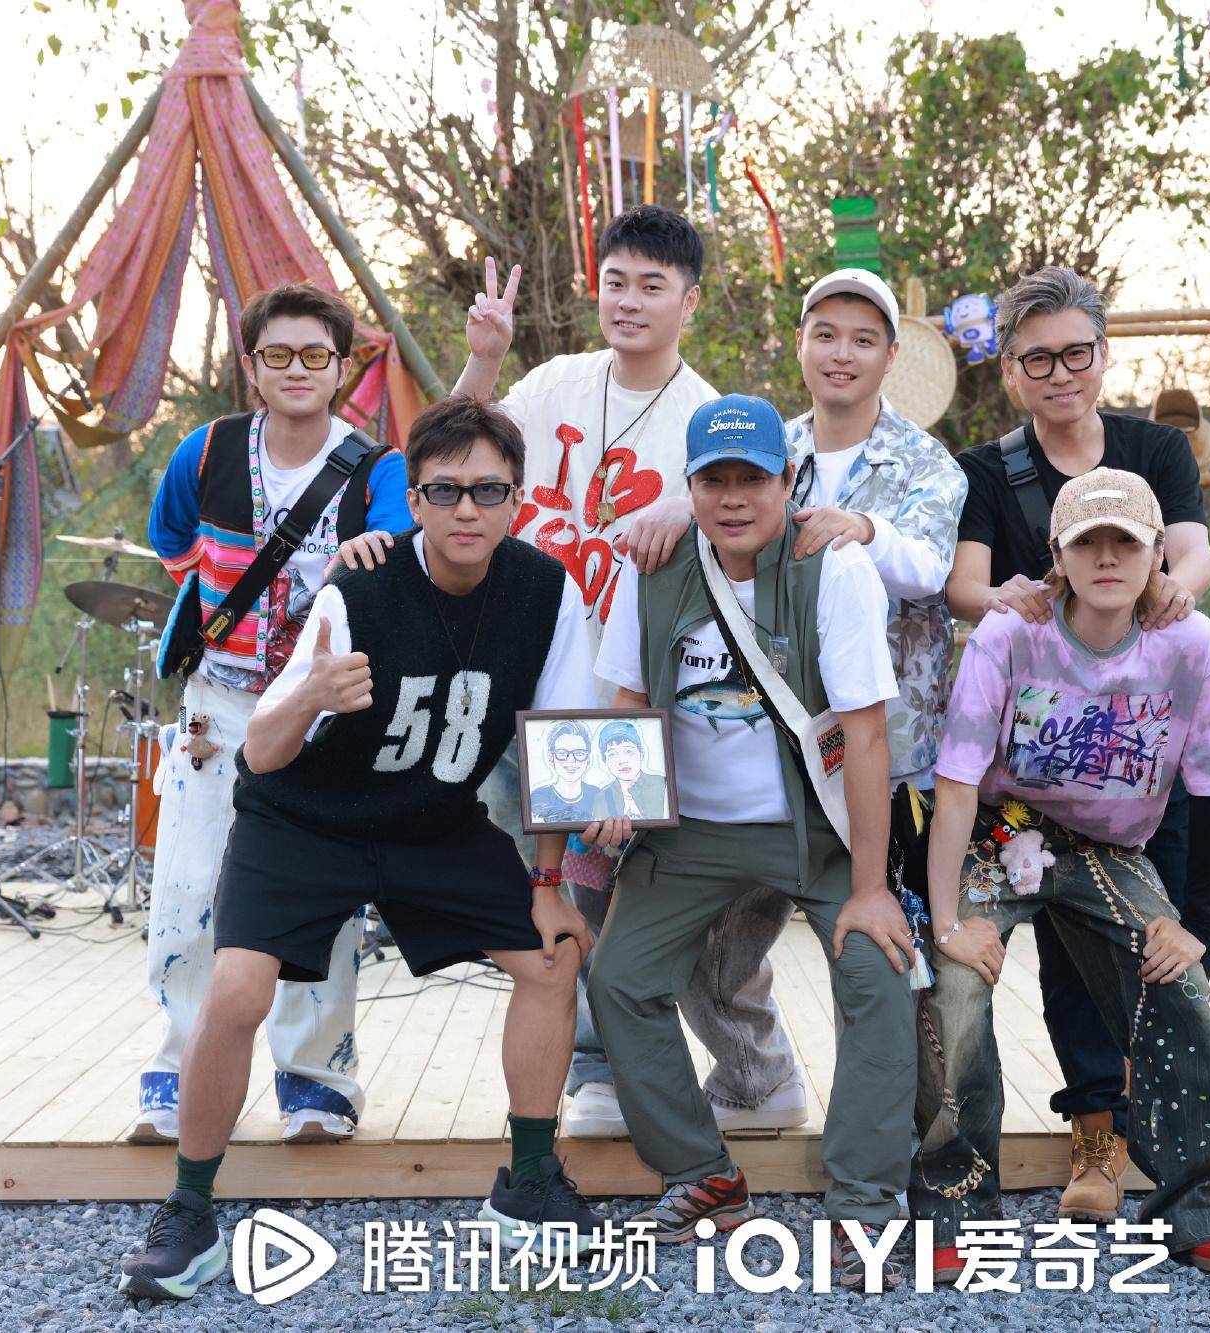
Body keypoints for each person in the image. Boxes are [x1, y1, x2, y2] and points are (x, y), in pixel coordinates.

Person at [118, 394, 628, 1302]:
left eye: (488, 490)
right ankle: (189, 1207)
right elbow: (261, 749)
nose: (467, 508)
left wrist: (549, 880)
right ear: (415, 499)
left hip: (431, 820)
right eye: (445, 490)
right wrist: (312, 693)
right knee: (236, 989)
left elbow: (562, 746)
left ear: (517, 499)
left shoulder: (547, 591)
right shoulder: (356, 588)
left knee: (553, 957)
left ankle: (529, 1180)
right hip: (303, 819)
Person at [338, 207, 800, 1140]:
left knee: (632, 896)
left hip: (625, 697)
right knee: (558, 888)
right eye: (616, 281)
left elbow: (748, 520)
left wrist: (688, 510)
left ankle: (737, 1068)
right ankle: (599, 1071)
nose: (629, 301)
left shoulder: (704, 417)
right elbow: (452, 453)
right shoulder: (555, 382)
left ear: (689, 302)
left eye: (652, 286)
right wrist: (483, 358)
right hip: (522, 678)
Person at [588, 394, 918, 1288]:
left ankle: (865, 1205)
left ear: (788, 479)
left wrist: (871, 887)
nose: (733, 498)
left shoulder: (832, 567)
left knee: (877, 973)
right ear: (690, 486)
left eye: (753, 478)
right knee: (617, 979)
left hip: (811, 826)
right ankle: (703, 1172)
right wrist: (617, 798)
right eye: (714, 480)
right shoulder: (653, 566)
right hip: (691, 829)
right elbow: (628, 700)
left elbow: (868, 733)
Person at [913, 467, 1210, 1279]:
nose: (1107, 557)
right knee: (951, 987)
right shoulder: (1010, 633)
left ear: (1156, 553)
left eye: (1125, 541)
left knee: (1176, 978)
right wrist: (947, 922)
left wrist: (1197, 925)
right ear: (1057, 555)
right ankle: (957, 1205)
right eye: (1087, 541)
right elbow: (955, 786)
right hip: (1000, 833)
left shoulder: (1189, 644)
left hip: (1108, 847)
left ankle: (1196, 1206)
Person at [942, 266, 1210, 1222]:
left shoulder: (1156, 449)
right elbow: (966, 585)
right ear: (1009, 370)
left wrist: (1170, 589)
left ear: (1103, 354)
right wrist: (1011, 600)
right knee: (1064, 949)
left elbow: (1192, 549)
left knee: (1171, 935)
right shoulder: (990, 470)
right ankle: (1095, 1131)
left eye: (1075, 353)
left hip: (1145, 740)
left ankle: (1174, 1122)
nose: (1059, 373)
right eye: (1037, 359)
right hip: (1037, 758)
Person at [676, 269, 968, 1132]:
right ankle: (757, 1075)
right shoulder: (769, 447)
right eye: (826, 334)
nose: (842, 353)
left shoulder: (926, 463)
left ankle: (904, 1139)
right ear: (800, 344)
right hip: (774, 748)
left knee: (884, 957)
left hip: (889, 757)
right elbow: (710, 519)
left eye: (863, 339)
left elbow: (930, 568)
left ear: (891, 356)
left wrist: (862, 529)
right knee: (714, 943)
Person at [135, 281, 412, 1145]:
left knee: (321, 899)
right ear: (251, 366)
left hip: (320, 715)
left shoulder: (377, 469)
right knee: (188, 888)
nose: (297, 369)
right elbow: (171, 542)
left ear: (342, 368)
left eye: (316, 354)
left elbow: (402, 548)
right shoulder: (206, 451)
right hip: (217, 706)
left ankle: (318, 1079)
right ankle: (177, 1070)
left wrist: (368, 553)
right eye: (278, 353)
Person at [529, 720, 609, 824]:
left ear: (588, 758)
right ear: (550, 757)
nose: (571, 760)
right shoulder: (539, 797)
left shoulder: (598, 795)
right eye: (562, 753)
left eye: (579, 753)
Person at [598, 720, 667, 820]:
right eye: (612, 754)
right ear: (605, 760)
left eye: (628, 751)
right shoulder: (603, 796)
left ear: (641, 753)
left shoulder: (661, 785)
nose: (622, 760)